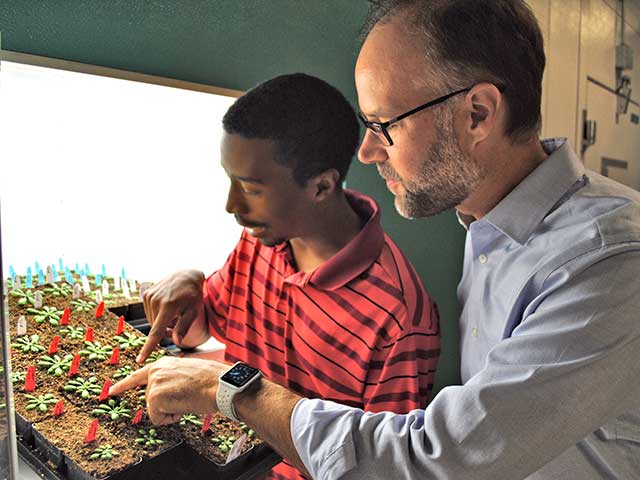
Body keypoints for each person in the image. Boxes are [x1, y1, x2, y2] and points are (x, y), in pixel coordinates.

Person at [110, 1, 640, 479]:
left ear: (477, 114)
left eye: (386, 124)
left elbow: (433, 460)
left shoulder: (607, 261)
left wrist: (227, 387)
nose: (366, 152)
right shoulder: (493, 228)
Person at [128, 73, 440, 480]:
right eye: (230, 180)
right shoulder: (261, 240)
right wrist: (189, 288)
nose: (231, 205)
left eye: (251, 188)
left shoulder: (398, 318)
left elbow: (386, 468)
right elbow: (200, 331)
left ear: (322, 186)